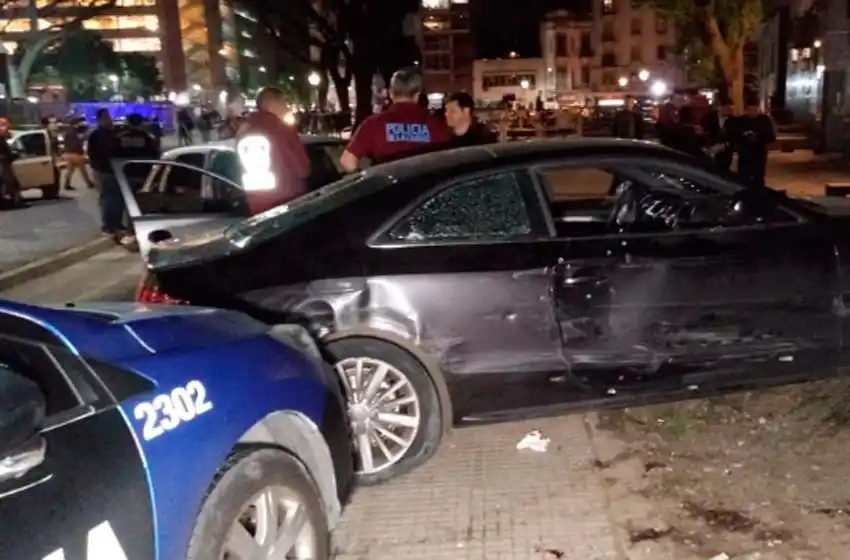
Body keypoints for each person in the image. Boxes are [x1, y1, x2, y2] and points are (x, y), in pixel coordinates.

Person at [340, 67, 451, 171]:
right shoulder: (435, 125)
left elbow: (348, 162)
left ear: (391, 94)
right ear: (417, 95)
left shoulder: (374, 124)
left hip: (387, 188)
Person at [237, 86, 310, 214]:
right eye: (283, 103)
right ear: (272, 105)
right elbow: (302, 169)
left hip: (254, 204)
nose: (287, 108)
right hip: (286, 202)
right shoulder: (281, 130)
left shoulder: (243, 132)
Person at [87, 108, 125, 238]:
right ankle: (108, 226)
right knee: (108, 200)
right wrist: (99, 166)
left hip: (117, 170)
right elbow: (93, 154)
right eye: (107, 117)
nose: (110, 119)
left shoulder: (114, 133)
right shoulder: (96, 135)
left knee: (118, 199)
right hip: (104, 171)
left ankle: (117, 223)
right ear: (101, 119)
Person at [736, 97, 776, 188]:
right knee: (744, 178)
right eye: (750, 110)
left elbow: (770, 136)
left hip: (759, 153)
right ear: (746, 110)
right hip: (745, 155)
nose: (752, 112)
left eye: (754, 110)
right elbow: (736, 135)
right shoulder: (741, 121)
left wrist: (758, 136)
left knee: (758, 178)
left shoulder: (764, 120)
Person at [702, 98, 737, 173]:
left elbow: (734, 137)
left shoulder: (733, 121)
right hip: (709, 151)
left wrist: (723, 146)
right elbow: (703, 133)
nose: (729, 111)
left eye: (731, 109)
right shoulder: (708, 118)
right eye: (727, 108)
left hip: (725, 155)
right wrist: (709, 147)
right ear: (720, 107)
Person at [61, 118, 94, 190]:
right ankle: (89, 183)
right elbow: (77, 142)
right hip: (76, 153)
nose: (81, 124)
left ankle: (66, 184)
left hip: (68, 153)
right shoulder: (75, 131)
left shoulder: (67, 131)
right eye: (79, 122)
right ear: (76, 123)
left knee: (70, 170)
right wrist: (81, 150)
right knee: (83, 169)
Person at [0, 118, 22, 209]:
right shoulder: (1, 141)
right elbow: (8, 154)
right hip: (3, 165)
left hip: (4, 164)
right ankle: (8, 198)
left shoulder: (3, 140)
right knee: (10, 182)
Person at [41, 116, 62, 191]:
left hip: (48, 157)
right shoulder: (44, 133)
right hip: (47, 157)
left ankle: (51, 191)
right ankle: (52, 191)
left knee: (53, 174)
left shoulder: (47, 132)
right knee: (53, 174)